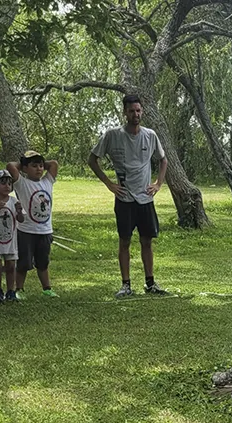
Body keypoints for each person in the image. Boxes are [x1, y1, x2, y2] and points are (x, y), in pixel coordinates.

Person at [88, 93, 169, 298]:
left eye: (138, 110)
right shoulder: (112, 135)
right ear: (125, 112)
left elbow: (163, 160)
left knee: (146, 241)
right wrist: (109, 184)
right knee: (124, 241)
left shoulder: (150, 135)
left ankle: (150, 282)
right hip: (124, 198)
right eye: (131, 111)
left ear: (142, 112)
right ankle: (126, 284)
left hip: (145, 198)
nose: (136, 114)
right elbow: (92, 160)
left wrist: (158, 184)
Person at [7, 150, 59, 298]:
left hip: (45, 230)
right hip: (26, 231)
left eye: (41, 166)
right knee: (23, 263)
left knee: (43, 262)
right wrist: (24, 164)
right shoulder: (22, 183)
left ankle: (47, 288)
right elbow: (10, 166)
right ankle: (19, 289)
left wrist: (38, 162)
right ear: (25, 168)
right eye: (34, 166)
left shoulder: (47, 181)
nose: (39, 169)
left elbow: (54, 164)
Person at [0, 169, 25, 302]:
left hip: (10, 240)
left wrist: (19, 211)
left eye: (9, 183)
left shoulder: (14, 201)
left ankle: (11, 291)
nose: (7, 186)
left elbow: (21, 219)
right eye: (3, 183)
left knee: (11, 266)